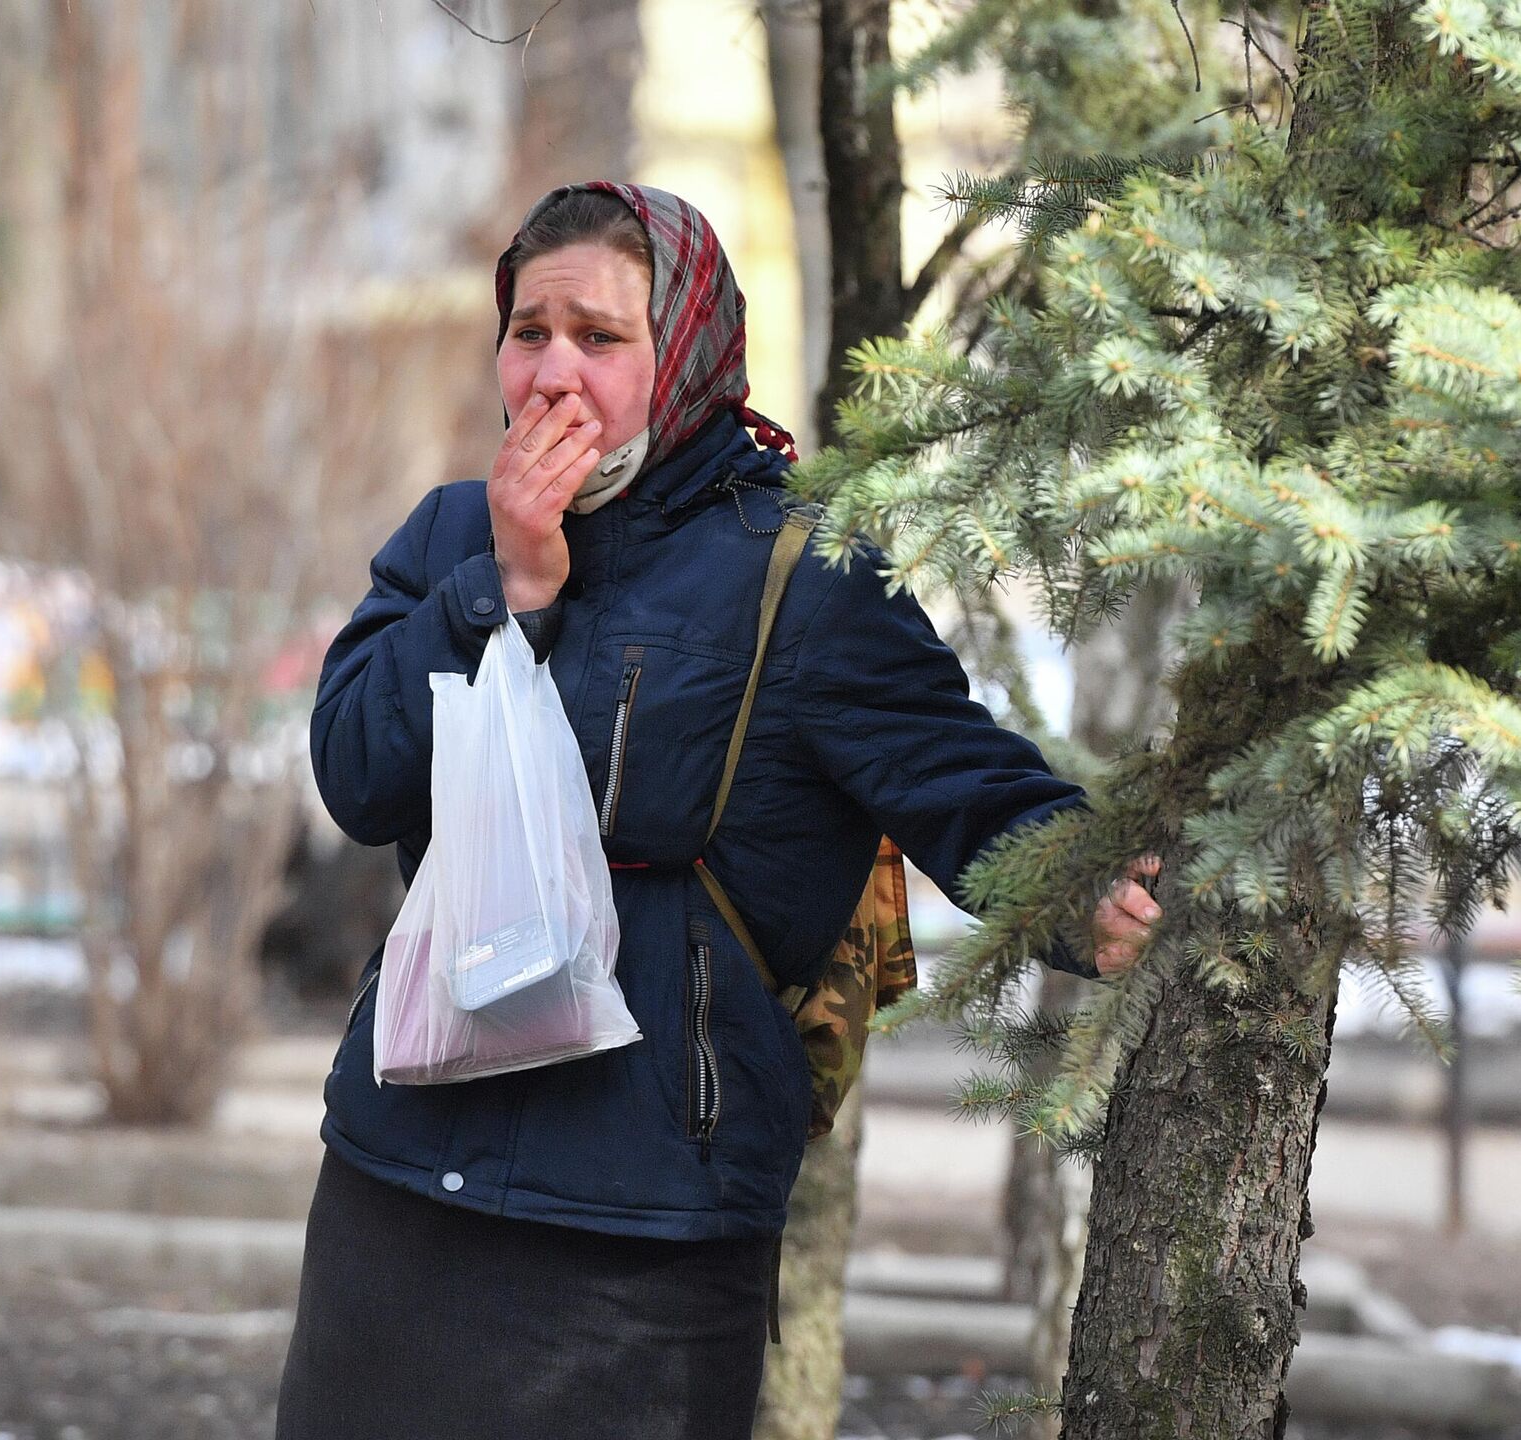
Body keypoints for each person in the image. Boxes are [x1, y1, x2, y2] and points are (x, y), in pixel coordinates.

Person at [274, 180, 1164, 1439]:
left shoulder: (800, 576)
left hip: (646, 1222)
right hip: (404, 1175)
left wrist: (1082, 882)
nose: (553, 375)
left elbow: (956, 775)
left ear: (684, 348)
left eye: (599, 336)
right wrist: (501, 593)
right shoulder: (450, 536)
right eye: (528, 333)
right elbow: (356, 777)